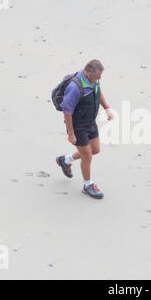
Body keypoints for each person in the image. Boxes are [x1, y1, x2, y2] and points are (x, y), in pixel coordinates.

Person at [55, 59, 114, 199]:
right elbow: (67, 109)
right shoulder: (75, 88)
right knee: (87, 155)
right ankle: (88, 185)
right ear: (88, 74)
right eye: (98, 76)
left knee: (95, 150)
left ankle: (66, 160)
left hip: (90, 121)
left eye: (100, 76)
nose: (100, 78)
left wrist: (107, 108)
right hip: (77, 125)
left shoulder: (94, 81)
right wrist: (70, 133)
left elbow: (98, 92)